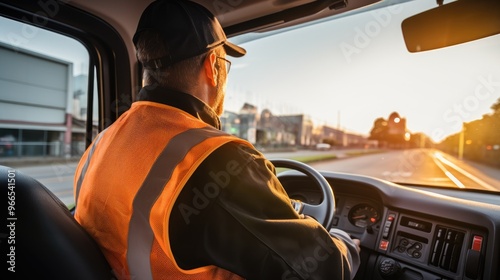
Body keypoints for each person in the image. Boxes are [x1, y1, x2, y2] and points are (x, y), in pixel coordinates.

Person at [73, 0, 360, 279]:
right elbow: (321, 269)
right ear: (213, 65)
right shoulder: (218, 161)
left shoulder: (101, 143)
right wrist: (346, 244)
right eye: (224, 62)